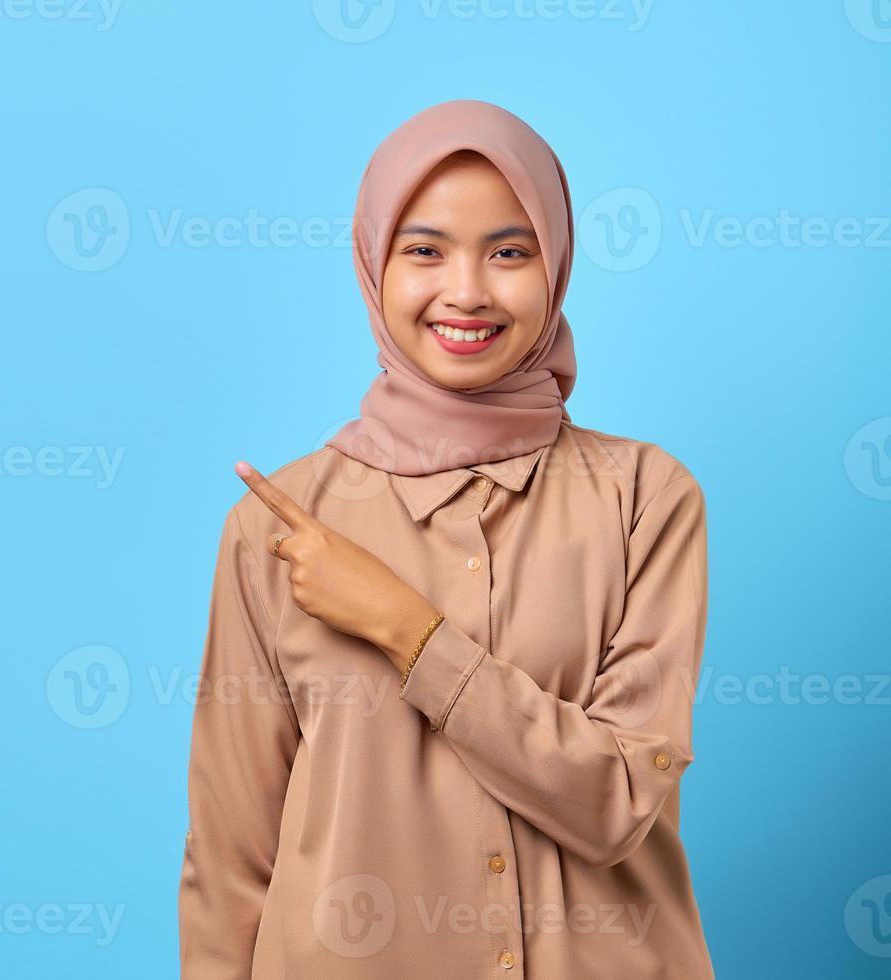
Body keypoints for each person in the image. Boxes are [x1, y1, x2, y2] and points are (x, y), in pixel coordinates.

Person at [177, 99, 715, 978]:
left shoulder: (643, 499)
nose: (466, 291)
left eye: (509, 251)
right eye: (423, 250)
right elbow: (230, 858)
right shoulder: (277, 526)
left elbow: (617, 800)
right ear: (371, 264)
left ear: (559, 263)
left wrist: (406, 630)